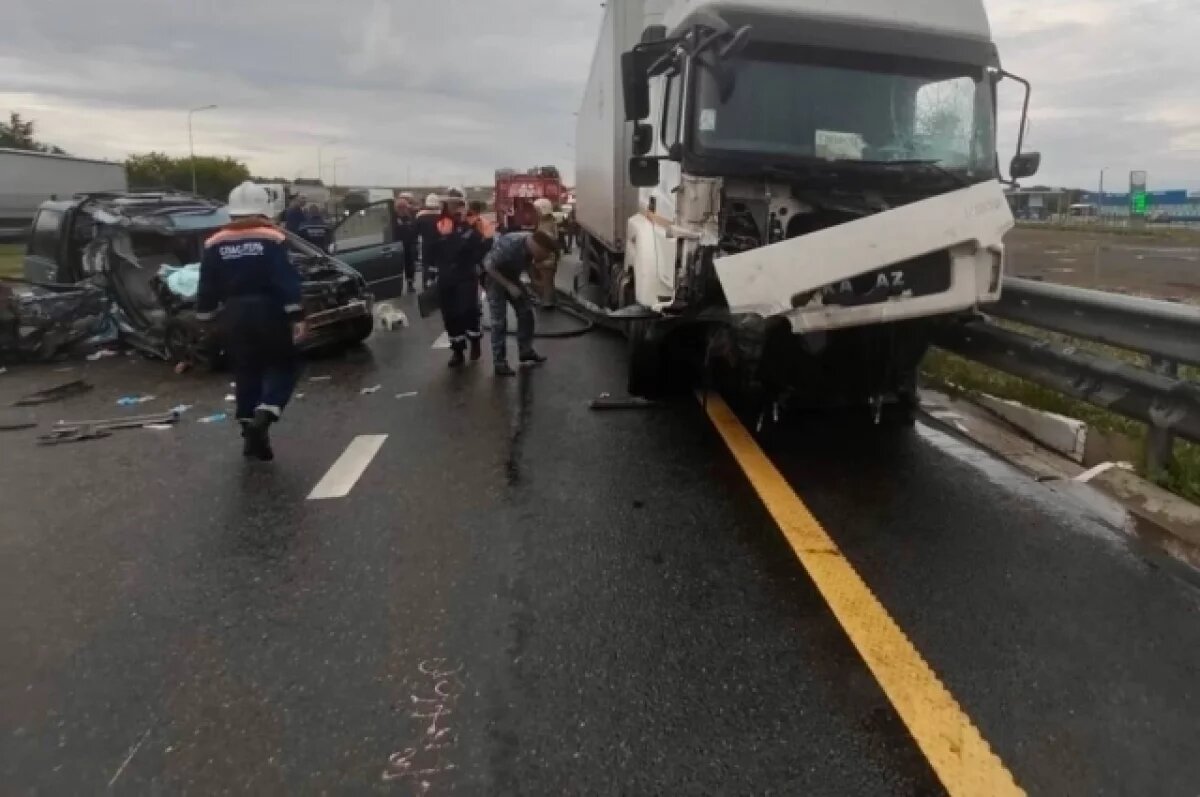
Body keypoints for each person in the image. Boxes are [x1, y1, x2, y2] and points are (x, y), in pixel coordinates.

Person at [197, 181, 305, 461]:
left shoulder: (213, 243)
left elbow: (206, 286)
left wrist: (206, 319)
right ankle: (266, 413)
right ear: (264, 210)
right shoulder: (273, 238)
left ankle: (251, 436)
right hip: (268, 310)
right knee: (284, 365)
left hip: (233, 313)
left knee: (246, 371)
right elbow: (285, 278)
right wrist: (296, 314)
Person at [481, 229, 557, 376]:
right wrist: (509, 286)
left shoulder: (531, 247)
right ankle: (499, 363)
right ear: (537, 247)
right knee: (499, 321)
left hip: (512, 276)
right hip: (494, 278)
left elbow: (528, 262)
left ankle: (525, 350)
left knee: (526, 311)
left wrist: (534, 282)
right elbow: (488, 265)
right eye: (542, 254)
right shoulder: (511, 244)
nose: (542, 258)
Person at [431, 188, 486, 367]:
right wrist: (432, 273)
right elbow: (432, 249)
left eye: (456, 202)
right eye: (449, 202)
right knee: (450, 314)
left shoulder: (471, 223)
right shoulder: (439, 223)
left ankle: (475, 341)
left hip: (465, 275)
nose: (452, 206)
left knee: (468, 311)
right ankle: (457, 350)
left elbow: (478, 246)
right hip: (446, 277)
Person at [531, 197, 560, 307]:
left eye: (537, 209)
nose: (536, 212)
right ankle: (550, 299)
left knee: (546, 280)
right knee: (547, 280)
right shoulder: (544, 221)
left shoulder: (548, 223)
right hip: (544, 255)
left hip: (547, 256)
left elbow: (549, 240)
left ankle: (547, 301)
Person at [415, 193, 442, 290]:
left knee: (427, 267)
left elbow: (415, 233)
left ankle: (427, 287)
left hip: (426, 247)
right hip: (440, 247)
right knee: (439, 267)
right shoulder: (442, 215)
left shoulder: (420, 216)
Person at [393, 192, 419, 294]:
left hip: (409, 244)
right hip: (397, 246)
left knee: (410, 265)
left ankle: (410, 283)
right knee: (397, 266)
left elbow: (415, 230)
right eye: (400, 208)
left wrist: (414, 242)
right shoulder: (393, 218)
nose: (402, 210)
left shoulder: (411, 217)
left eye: (403, 208)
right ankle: (396, 285)